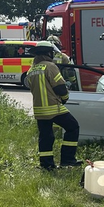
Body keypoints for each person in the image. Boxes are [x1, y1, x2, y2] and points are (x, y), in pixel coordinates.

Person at [27, 41, 81, 170]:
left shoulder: (32, 69)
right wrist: (65, 98)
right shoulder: (50, 66)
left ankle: (47, 165)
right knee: (73, 127)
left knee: (45, 137)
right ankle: (67, 160)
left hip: (39, 110)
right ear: (48, 53)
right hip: (53, 108)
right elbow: (60, 87)